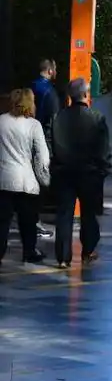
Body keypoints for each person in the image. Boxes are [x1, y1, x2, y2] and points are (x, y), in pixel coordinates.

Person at [50, 78, 111, 269]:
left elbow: (51, 145)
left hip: (64, 172)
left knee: (64, 215)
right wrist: (103, 170)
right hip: (89, 173)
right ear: (86, 94)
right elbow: (103, 149)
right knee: (89, 214)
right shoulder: (97, 118)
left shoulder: (58, 117)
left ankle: (62, 256)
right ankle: (88, 250)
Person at [0, 88, 50, 264]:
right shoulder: (34, 125)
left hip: (3, 180)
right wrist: (44, 176)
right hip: (26, 181)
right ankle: (29, 252)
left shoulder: (1, 121)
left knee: (2, 221)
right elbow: (43, 155)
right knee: (28, 221)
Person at [31, 57, 59, 146]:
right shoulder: (51, 91)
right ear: (50, 71)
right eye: (55, 69)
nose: (56, 72)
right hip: (43, 136)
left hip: (28, 132)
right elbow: (54, 117)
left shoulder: (30, 86)